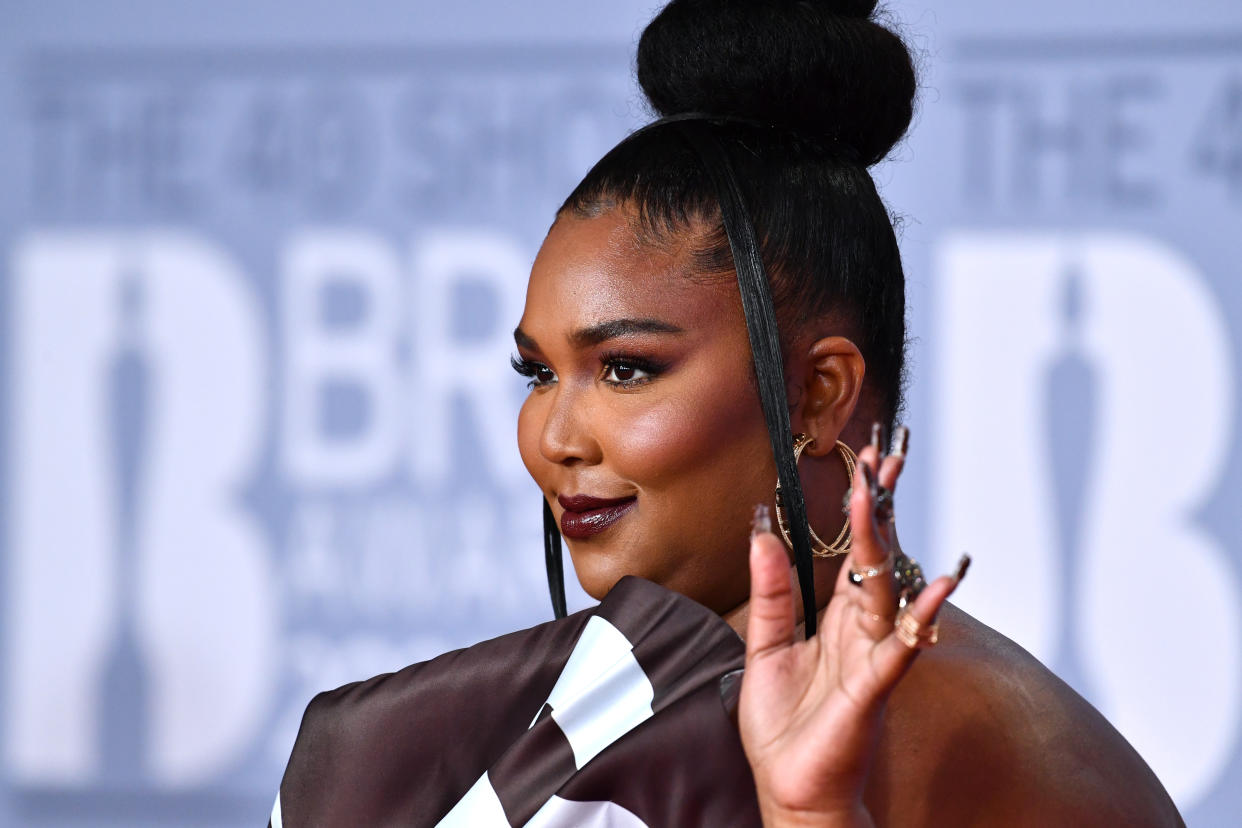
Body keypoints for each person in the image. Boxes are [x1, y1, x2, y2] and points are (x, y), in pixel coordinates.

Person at [270, 1, 1184, 825]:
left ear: (820, 394)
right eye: (538, 372)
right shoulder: (587, 702)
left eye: (625, 369)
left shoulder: (967, 743)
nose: (552, 439)